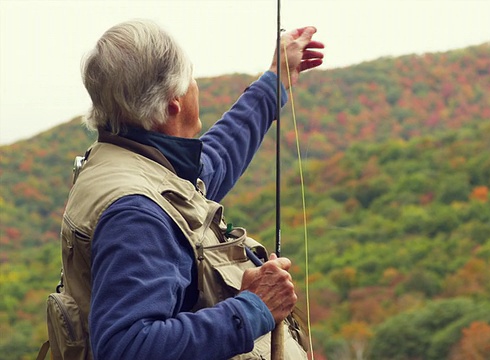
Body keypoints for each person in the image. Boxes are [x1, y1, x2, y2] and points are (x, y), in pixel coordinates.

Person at [51, 19, 324, 360]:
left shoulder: (131, 161)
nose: (195, 86)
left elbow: (215, 160)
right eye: (190, 78)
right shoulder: (136, 212)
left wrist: (276, 80)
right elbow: (128, 347)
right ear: (173, 104)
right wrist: (254, 307)